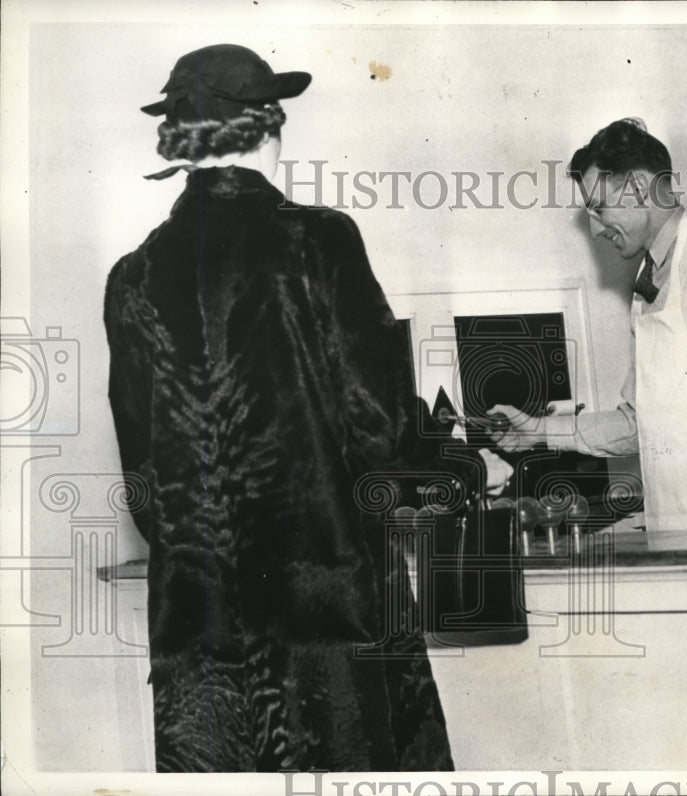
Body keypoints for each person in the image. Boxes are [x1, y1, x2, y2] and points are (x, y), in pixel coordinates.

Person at [104, 43, 512, 773]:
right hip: (328, 620)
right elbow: (379, 428)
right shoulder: (316, 241)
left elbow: (143, 484)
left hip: (200, 636)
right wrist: (457, 462)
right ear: (270, 126)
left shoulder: (130, 278)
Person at [491, 118, 687, 531]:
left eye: (598, 209)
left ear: (636, 187)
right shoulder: (645, 284)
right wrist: (538, 431)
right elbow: (638, 422)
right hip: (670, 526)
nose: (596, 229)